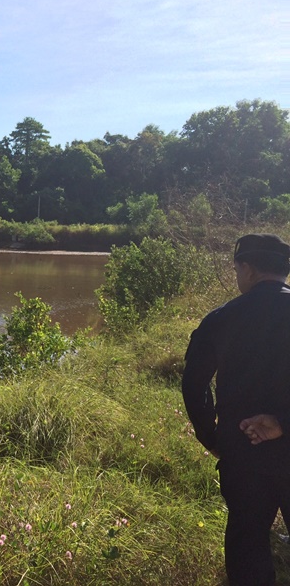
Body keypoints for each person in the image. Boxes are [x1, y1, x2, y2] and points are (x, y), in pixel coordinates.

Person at [182, 233, 290, 585]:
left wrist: (211, 436)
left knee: (247, 543)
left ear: (246, 269)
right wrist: (282, 423)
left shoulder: (222, 318)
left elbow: (194, 384)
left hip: (242, 452)